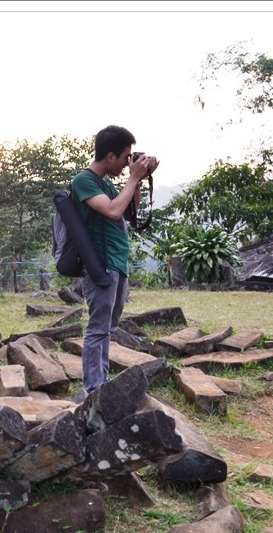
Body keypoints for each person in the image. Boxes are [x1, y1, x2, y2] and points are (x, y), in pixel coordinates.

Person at [72, 125, 159, 400]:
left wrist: (140, 180)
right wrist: (132, 177)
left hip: (117, 264)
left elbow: (130, 211)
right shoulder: (83, 181)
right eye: (125, 157)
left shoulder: (106, 184)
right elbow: (112, 210)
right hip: (101, 264)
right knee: (98, 328)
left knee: (108, 328)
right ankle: (93, 389)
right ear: (110, 156)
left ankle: (102, 381)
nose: (127, 163)